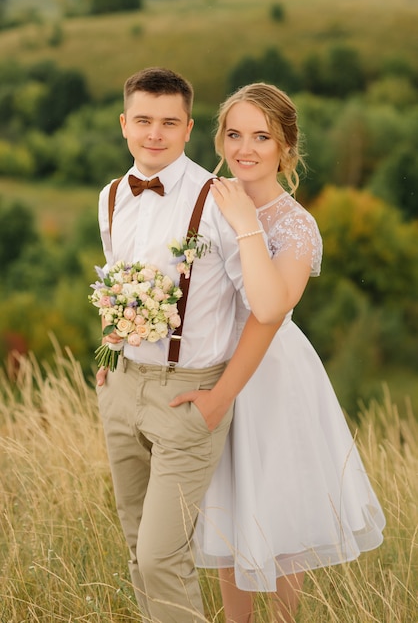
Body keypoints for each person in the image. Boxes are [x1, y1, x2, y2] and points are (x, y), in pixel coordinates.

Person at [171, 83, 386, 622]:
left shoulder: (296, 227)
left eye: (261, 136)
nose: (245, 148)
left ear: (285, 148)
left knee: (275, 508)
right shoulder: (208, 201)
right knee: (227, 507)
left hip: (269, 376)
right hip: (212, 358)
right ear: (219, 138)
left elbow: (270, 315)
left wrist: (222, 395)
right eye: (235, 134)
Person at [94, 67, 280, 623]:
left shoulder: (219, 200)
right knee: (137, 549)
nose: (155, 133)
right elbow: (118, 281)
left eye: (169, 123)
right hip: (122, 388)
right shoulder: (109, 197)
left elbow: (263, 307)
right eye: (144, 120)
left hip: (188, 397)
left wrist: (219, 397)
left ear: (189, 128)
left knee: (161, 556)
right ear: (125, 124)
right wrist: (108, 349)